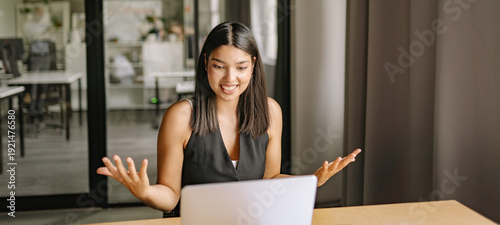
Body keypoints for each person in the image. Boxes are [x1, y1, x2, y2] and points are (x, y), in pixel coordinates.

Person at [97, 21, 361, 216]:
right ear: (205, 63)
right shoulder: (181, 116)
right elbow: (170, 195)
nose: (229, 79)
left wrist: (309, 181)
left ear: (254, 65)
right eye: (219, 66)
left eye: (241, 67)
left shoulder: (270, 112)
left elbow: (268, 180)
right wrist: (145, 192)